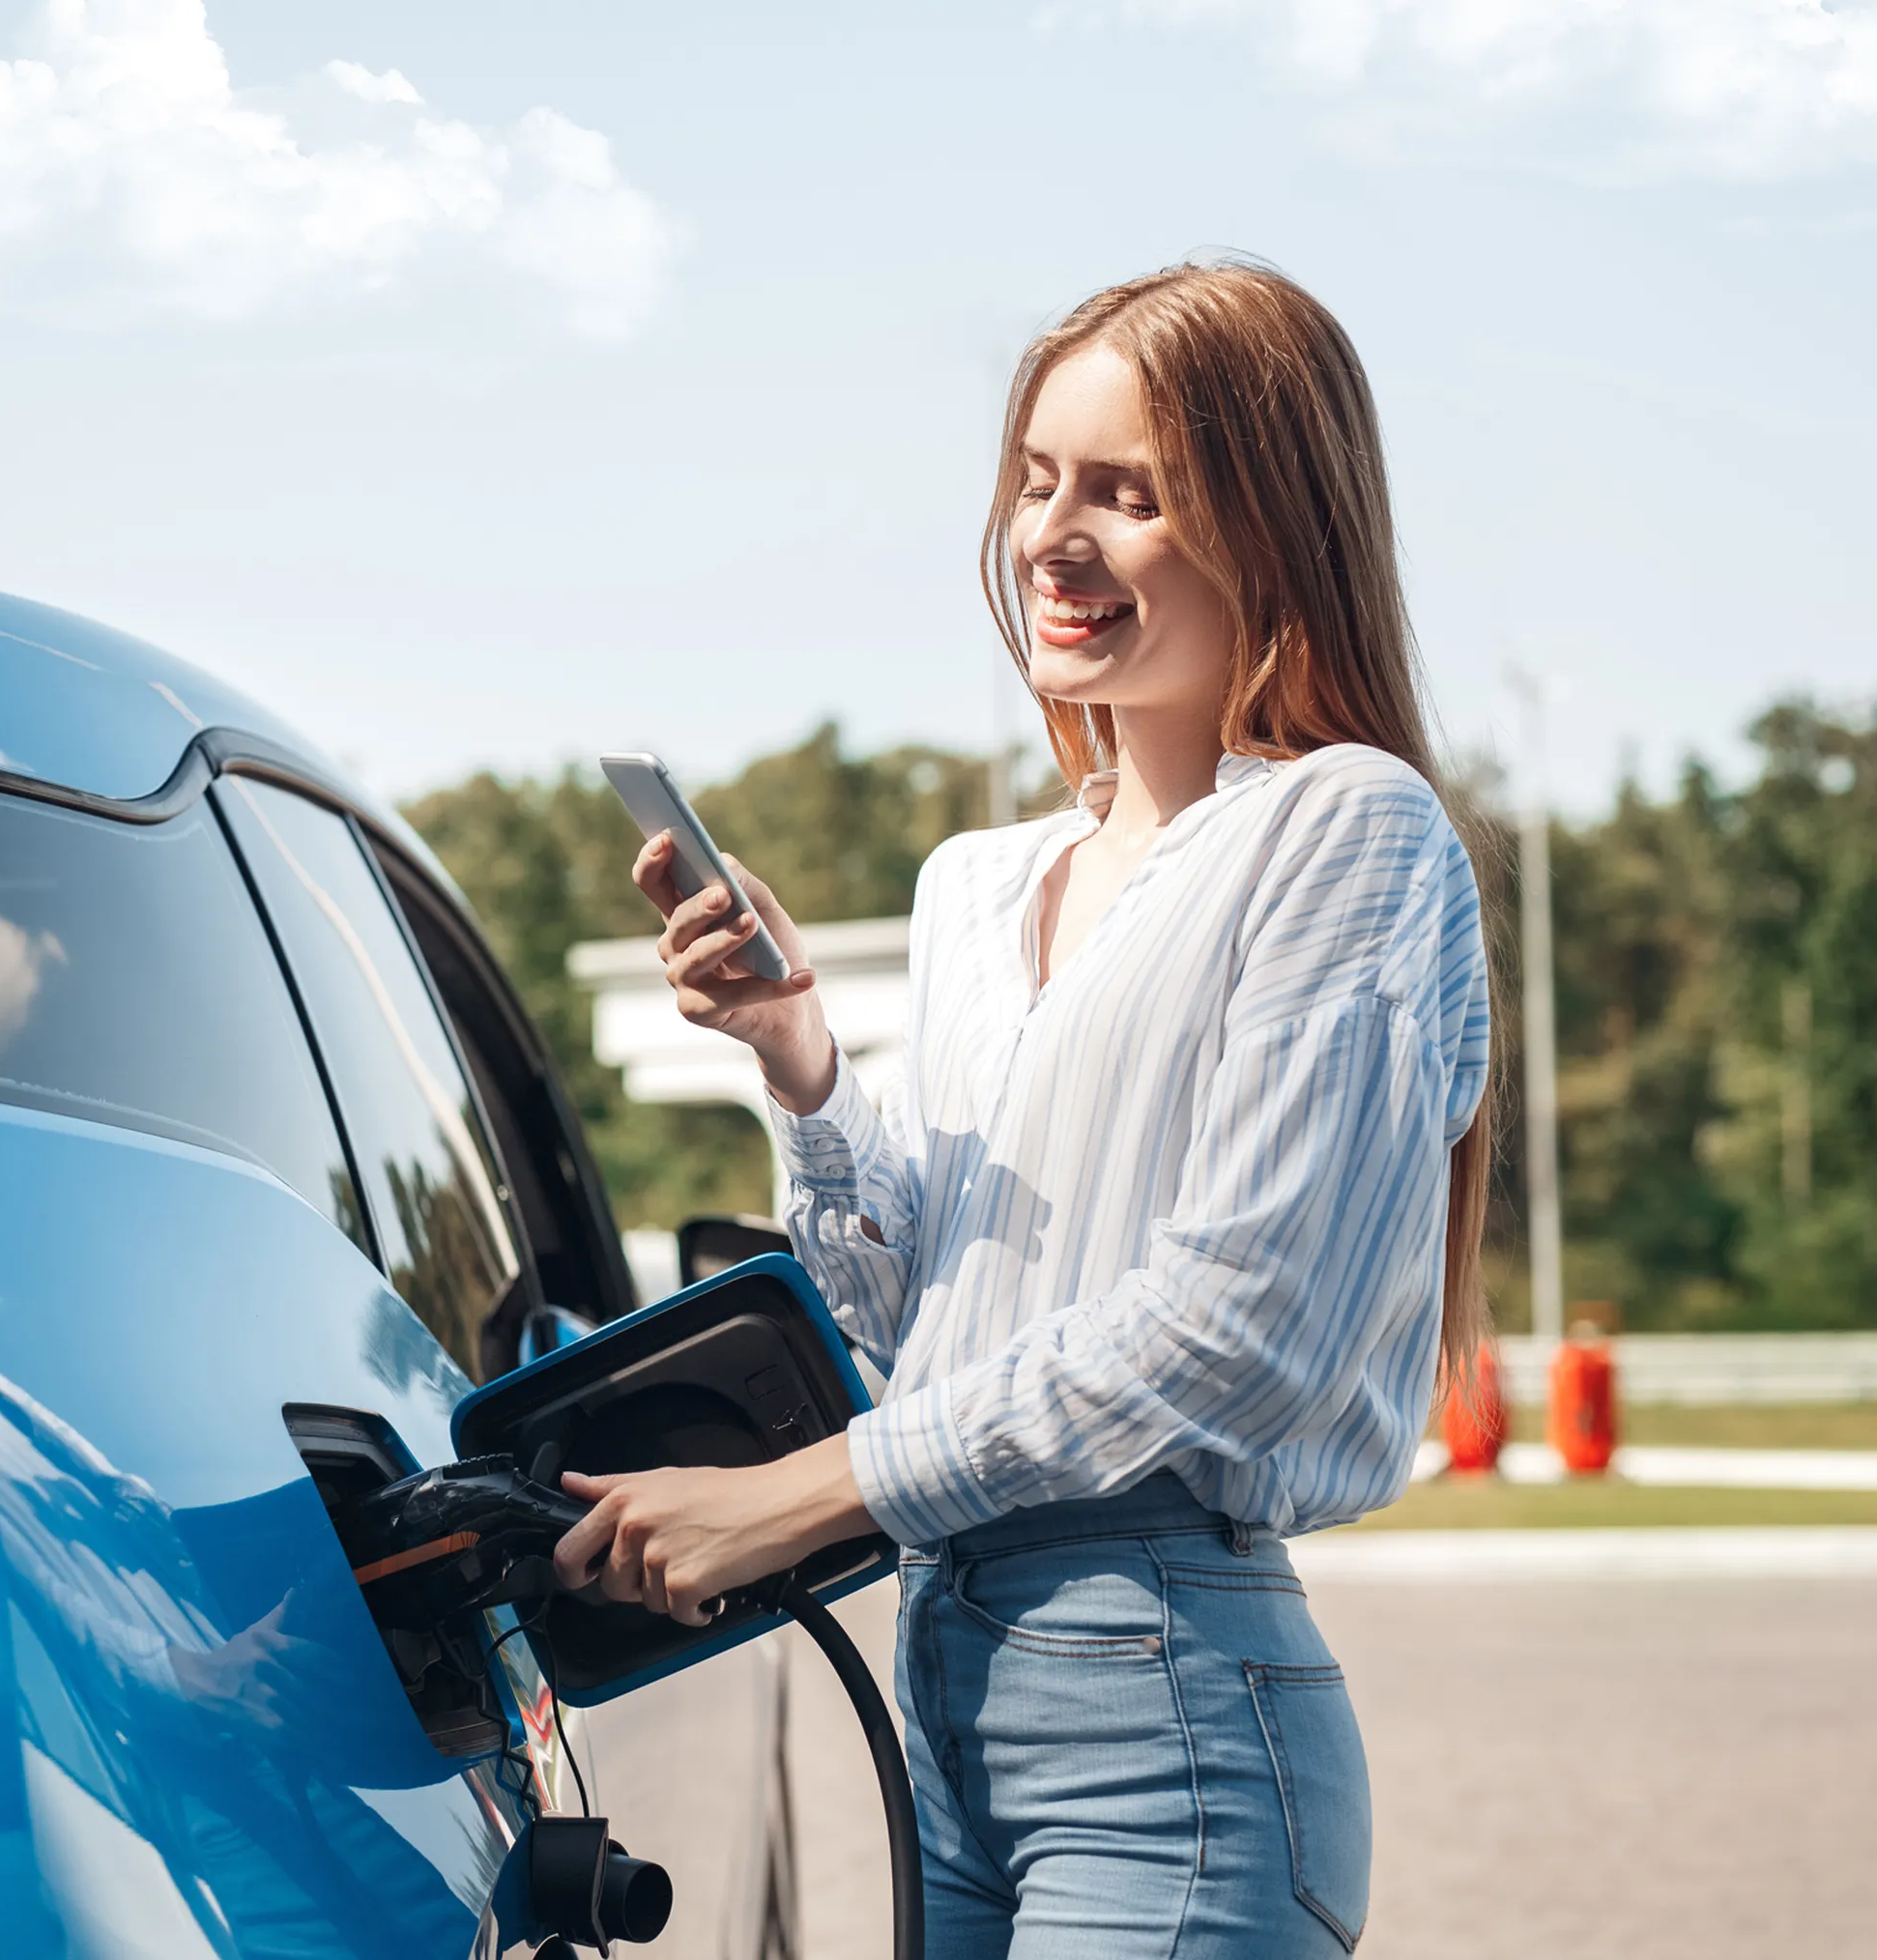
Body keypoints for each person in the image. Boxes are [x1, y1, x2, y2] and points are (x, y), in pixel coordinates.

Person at [554, 259, 1493, 1958]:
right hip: (950, 1704)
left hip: (1167, 1728)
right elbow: (925, 1322)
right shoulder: (979, 886)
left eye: (1131, 493)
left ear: (1275, 528)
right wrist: (803, 1065)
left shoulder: (1347, 833)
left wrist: (808, 1492)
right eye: (1039, 481)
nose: (1057, 536)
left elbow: (1244, 1321)